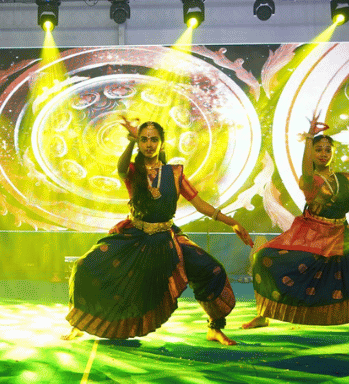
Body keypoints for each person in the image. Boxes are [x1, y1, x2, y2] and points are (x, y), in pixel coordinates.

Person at [64, 118, 253, 345]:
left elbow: (201, 204)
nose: (149, 144)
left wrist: (231, 222)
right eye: (143, 139)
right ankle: (80, 322)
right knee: (84, 267)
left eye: (154, 139)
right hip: (135, 236)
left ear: (162, 144)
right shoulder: (133, 171)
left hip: (167, 239)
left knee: (212, 270)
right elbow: (121, 168)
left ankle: (215, 328)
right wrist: (130, 143)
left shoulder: (174, 173)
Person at [243, 116, 349, 332]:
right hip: (313, 239)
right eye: (318, 149)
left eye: (327, 150)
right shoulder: (309, 180)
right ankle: (263, 314)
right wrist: (309, 138)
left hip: (344, 239)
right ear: (312, 153)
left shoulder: (346, 179)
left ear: (332, 153)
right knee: (263, 257)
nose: (323, 153)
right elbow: (307, 171)